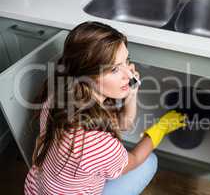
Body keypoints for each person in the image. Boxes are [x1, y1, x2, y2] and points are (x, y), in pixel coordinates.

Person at [24, 21, 186, 195]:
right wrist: (160, 129)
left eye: (126, 61)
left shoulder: (58, 95)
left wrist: (131, 93)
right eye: (115, 69)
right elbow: (135, 159)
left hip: (38, 188)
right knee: (150, 161)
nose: (129, 74)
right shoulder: (98, 143)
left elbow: (122, 124)